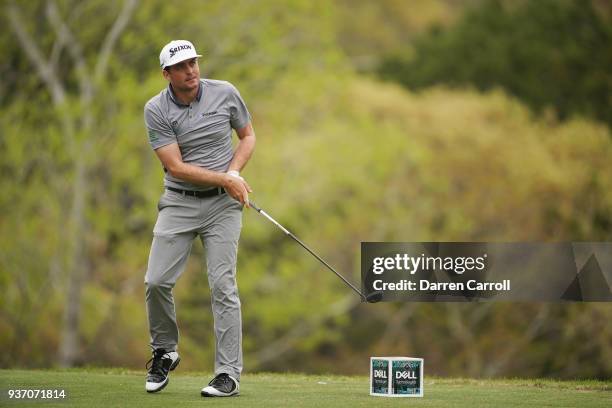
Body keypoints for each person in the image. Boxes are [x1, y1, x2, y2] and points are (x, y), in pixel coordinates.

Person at [142, 40, 255, 397]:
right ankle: (164, 350)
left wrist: (233, 173)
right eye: (181, 67)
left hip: (222, 206)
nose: (190, 71)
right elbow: (175, 166)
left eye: (193, 63)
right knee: (156, 280)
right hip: (179, 202)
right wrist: (226, 178)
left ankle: (227, 374)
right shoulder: (156, 109)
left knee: (223, 286)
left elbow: (248, 136)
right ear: (167, 74)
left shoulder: (225, 93)